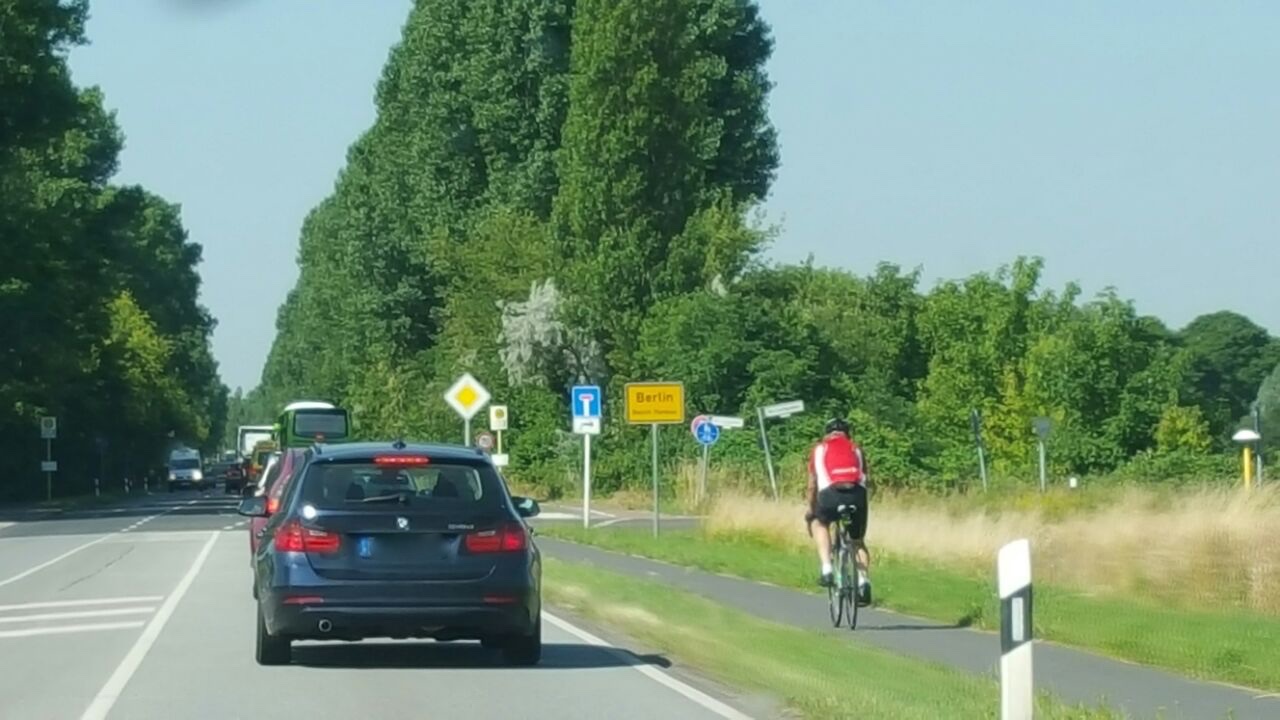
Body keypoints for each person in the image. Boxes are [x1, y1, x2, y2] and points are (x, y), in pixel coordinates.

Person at [805, 417, 871, 606]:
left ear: (827, 434)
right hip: (857, 496)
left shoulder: (819, 449)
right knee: (858, 542)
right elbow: (866, 478)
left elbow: (812, 486)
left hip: (830, 495)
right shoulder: (856, 448)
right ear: (847, 434)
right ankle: (864, 582)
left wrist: (811, 510)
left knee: (819, 522)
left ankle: (827, 569)